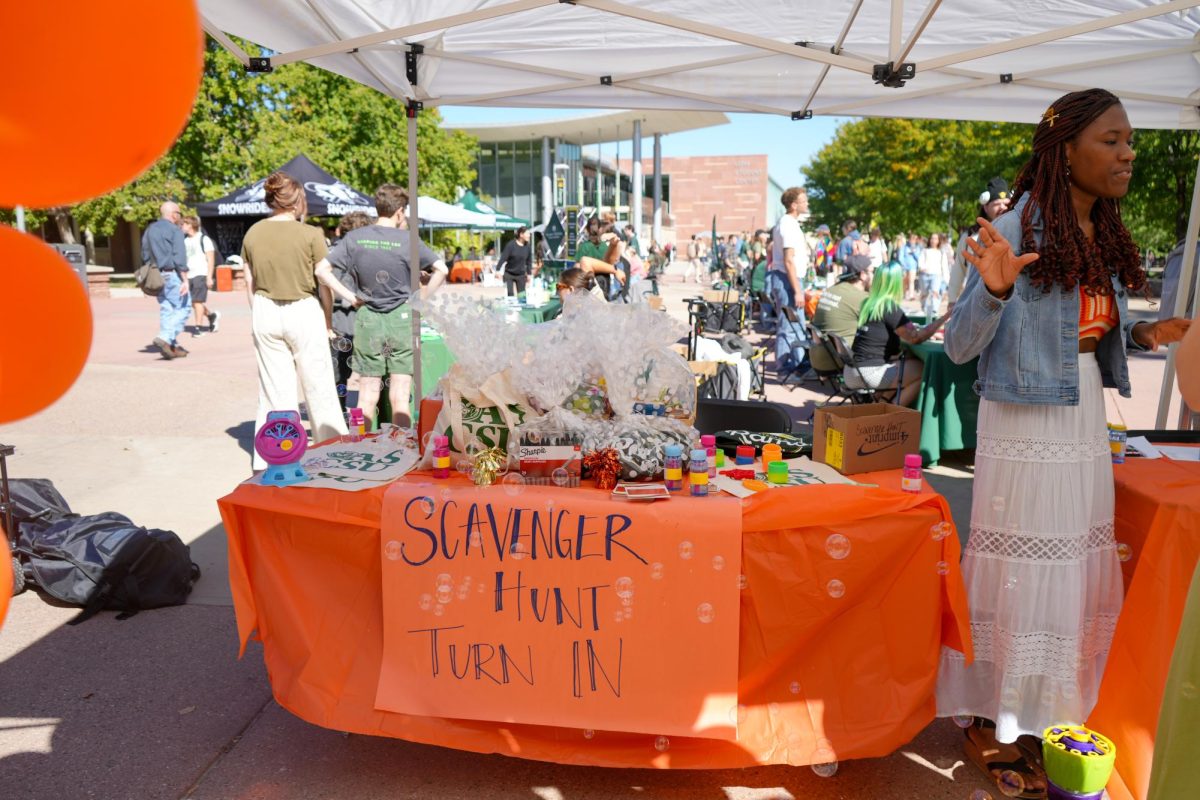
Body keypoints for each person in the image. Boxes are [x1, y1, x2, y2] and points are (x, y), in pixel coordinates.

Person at [936, 88, 1192, 798]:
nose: (1128, 153)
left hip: (1080, 419)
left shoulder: (1096, 228)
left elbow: (1086, 329)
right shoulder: (1014, 226)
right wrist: (990, 292)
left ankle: (1048, 711)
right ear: (1066, 147)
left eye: (1130, 140)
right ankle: (1002, 713)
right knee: (1025, 567)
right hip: (1023, 424)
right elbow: (958, 346)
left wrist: (1143, 334)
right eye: (1111, 140)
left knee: (1072, 565)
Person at [315, 183, 448, 430]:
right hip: (402, 319)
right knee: (399, 395)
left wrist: (350, 296)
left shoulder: (355, 238)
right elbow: (442, 269)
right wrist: (422, 298)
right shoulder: (408, 240)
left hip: (368, 320)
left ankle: (364, 449)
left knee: (366, 395)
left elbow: (321, 270)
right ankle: (399, 451)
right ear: (399, 212)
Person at [240, 172, 348, 468]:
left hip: (264, 308)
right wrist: (327, 320)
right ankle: (330, 451)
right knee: (319, 385)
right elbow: (324, 283)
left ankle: (272, 455)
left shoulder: (253, 233)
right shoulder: (310, 234)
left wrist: (259, 313)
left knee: (275, 390)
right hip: (303, 309)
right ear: (297, 200)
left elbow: (249, 281)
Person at [844, 263, 945, 406]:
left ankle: (879, 403)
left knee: (906, 363)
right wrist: (946, 317)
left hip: (851, 371)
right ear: (896, 282)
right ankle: (890, 412)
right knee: (923, 369)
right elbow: (915, 338)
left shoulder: (868, 304)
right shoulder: (889, 307)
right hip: (867, 374)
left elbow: (903, 329)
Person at [949, 180, 1014, 309]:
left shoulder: (1018, 233)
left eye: (1006, 203)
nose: (1002, 207)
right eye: (997, 204)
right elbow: (959, 269)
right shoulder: (970, 236)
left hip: (1010, 303)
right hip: (976, 303)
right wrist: (952, 299)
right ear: (985, 207)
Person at [142, 201, 191, 360]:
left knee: (167, 309)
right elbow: (179, 255)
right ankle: (165, 337)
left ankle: (171, 347)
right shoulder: (174, 230)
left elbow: (145, 254)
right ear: (173, 214)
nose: (180, 217)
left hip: (156, 275)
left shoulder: (149, 230)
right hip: (172, 274)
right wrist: (185, 279)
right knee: (184, 307)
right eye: (179, 214)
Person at [810, 254, 874, 372]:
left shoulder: (831, 289)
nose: (874, 275)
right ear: (863, 275)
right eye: (872, 271)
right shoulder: (862, 298)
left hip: (818, 356)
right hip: (839, 361)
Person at [767, 186, 809, 313]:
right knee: (791, 328)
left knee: (792, 326)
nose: (807, 203)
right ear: (794, 205)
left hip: (787, 279)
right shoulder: (788, 225)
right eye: (804, 201)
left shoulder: (788, 223)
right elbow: (788, 260)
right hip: (787, 280)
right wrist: (797, 291)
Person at [181, 216, 219, 337]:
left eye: (184, 224)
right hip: (189, 275)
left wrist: (209, 277)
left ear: (190, 225)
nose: (182, 226)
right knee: (192, 302)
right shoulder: (184, 240)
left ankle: (198, 328)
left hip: (201, 273)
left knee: (197, 301)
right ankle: (211, 315)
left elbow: (211, 259)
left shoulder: (204, 239)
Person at [918, 232, 949, 318]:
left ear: (938, 241)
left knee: (935, 292)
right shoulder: (924, 251)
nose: (933, 240)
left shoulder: (941, 253)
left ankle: (934, 310)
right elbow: (920, 261)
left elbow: (945, 266)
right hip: (924, 275)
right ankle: (924, 309)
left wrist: (947, 279)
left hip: (936, 275)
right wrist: (922, 267)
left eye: (935, 238)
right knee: (924, 293)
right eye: (932, 238)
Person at [496, 226, 533, 297]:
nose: (529, 235)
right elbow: (503, 258)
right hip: (509, 274)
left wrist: (529, 274)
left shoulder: (528, 247)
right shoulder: (511, 245)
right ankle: (511, 307)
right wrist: (497, 270)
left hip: (521, 275)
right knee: (510, 294)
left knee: (522, 296)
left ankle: (522, 307)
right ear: (521, 235)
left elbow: (529, 262)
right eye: (527, 234)